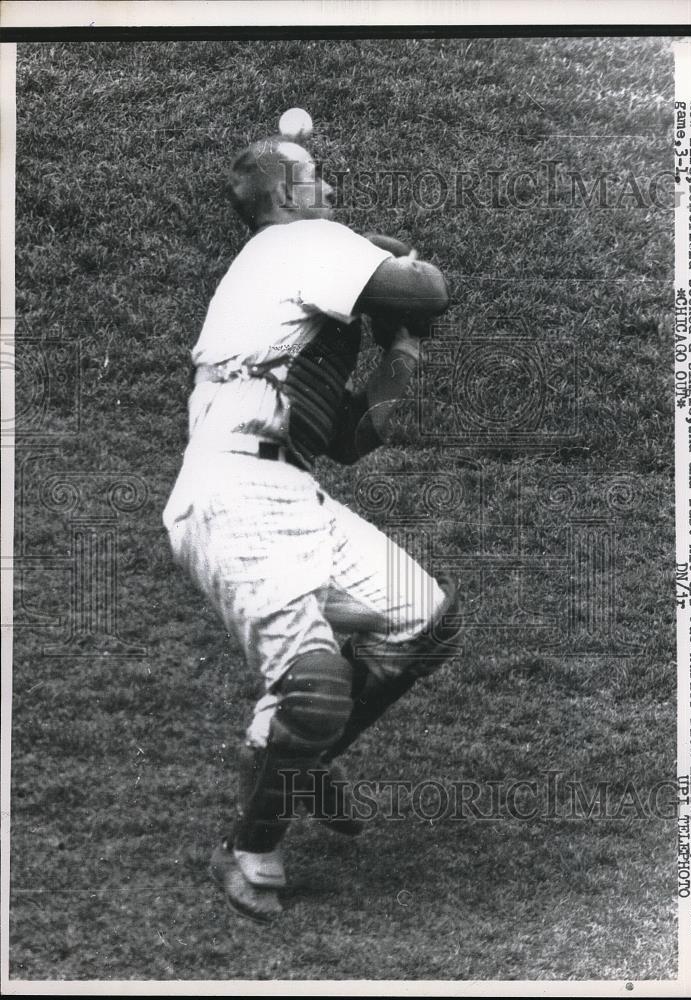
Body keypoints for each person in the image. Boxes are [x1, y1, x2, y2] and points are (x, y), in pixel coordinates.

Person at [162, 129, 463, 922]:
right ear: (283, 197)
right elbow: (428, 288)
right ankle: (249, 846)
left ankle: (300, 758)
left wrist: (399, 354)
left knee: (421, 621)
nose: (329, 189)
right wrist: (386, 263)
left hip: (293, 492)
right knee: (314, 683)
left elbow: (351, 440)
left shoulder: (299, 297)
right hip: (233, 491)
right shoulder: (294, 242)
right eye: (315, 178)